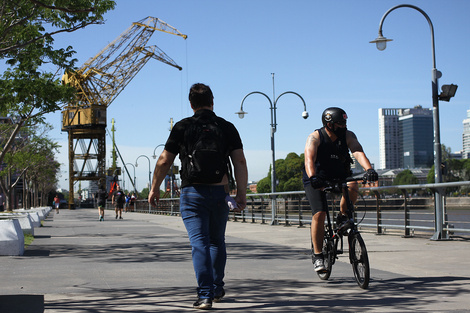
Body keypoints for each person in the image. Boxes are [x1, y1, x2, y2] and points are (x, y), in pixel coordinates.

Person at [148, 83, 248, 310]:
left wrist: (154, 188)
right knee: (216, 241)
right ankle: (217, 287)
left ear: (191, 104)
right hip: (221, 192)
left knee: (199, 244)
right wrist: (240, 193)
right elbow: (239, 161)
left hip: (192, 193)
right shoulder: (226, 127)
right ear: (213, 102)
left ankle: (205, 296)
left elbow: (164, 160)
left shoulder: (183, 127)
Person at [303, 107, 378, 273]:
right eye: (340, 123)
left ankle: (342, 216)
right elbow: (309, 158)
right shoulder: (315, 137)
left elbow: (357, 151)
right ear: (329, 124)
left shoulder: (348, 135)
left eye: (345, 122)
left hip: (339, 174)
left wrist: (369, 169)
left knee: (353, 186)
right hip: (316, 177)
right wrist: (313, 177)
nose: (343, 126)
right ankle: (318, 255)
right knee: (320, 213)